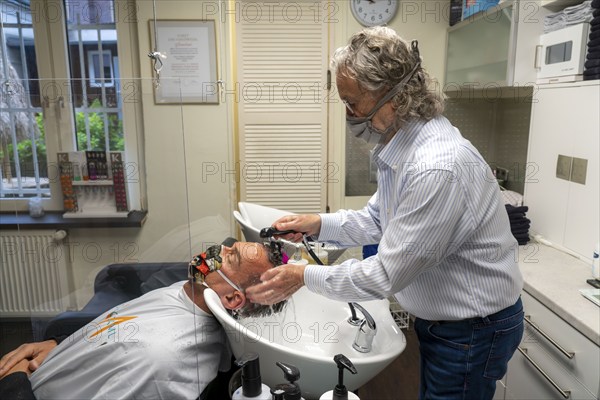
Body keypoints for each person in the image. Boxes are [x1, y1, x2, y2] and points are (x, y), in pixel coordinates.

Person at [246, 27, 524, 399]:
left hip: (473, 328)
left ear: (395, 97)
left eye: (353, 103)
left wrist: (303, 276)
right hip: (446, 322)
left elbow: (386, 273)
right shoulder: (403, 143)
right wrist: (317, 224)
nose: (348, 115)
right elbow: (378, 220)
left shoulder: (435, 166)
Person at [0, 239, 287, 399]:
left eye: (231, 257)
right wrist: (59, 344)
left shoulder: (161, 362)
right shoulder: (189, 292)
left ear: (233, 298)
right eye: (229, 246)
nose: (218, 249)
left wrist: (14, 384)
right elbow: (120, 328)